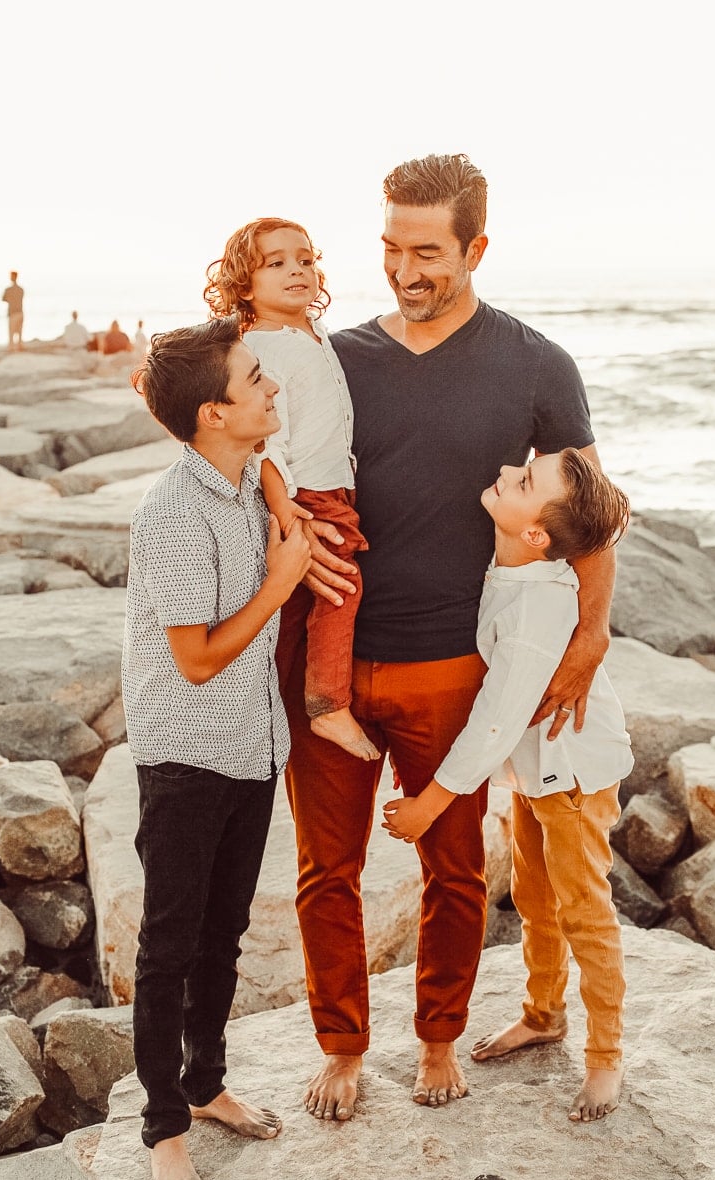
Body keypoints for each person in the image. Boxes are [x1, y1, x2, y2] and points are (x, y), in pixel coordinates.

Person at [280, 153, 617, 1122]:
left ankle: (437, 1040)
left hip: (455, 669)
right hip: (331, 674)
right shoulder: (335, 360)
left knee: (455, 870)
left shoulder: (535, 366)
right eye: (389, 247)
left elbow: (590, 514)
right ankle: (341, 1046)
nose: (402, 269)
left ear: (476, 247)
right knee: (323, 875)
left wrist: (588, 637)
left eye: (425, 251)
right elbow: (273, 472)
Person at [382, 449, 632, 1123]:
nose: (507, 471)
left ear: (538, 535)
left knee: (582, 908)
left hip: (572, 772)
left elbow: (496, 720)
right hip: (539, 770)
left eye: (525, 481)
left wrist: (432, 803)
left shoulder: (534, 614)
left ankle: (605, 1058)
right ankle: (543, 1014)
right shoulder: (518, 570)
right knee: (532, 893)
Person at [121, 317, 310, 1180]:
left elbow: (276, 470)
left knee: (223, 937)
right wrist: (282, 579)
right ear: (212, 413)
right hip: (187, 753)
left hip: (253, 741)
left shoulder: (243, 484)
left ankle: (205, 1083)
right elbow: (195, 659)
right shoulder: (171, 513)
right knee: (169, 945)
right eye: (254, 378)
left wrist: (275, 494)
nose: (270, 387)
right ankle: (162, 1126)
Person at [204, 218, 378, 761]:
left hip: (331, 486)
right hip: (307, 493)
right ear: (244, 284)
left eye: (304, 259)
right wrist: (286, 508)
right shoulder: (259, 344)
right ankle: (327, 704)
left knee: (305, 602)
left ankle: (272, 705)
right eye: (275, 263)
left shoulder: (312, 334)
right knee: (341, 583)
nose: (296, 269)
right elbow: (264, 439)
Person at [2, 270, 25, 350]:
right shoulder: (21, 289)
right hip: (20, 312)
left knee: (11, 332)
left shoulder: (8, 290)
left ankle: (11, 348)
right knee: (19, 332)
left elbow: (3, 299)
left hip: (13, 312)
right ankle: (19, 346)